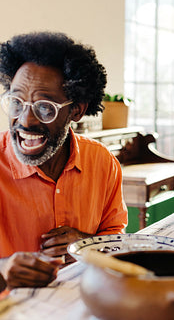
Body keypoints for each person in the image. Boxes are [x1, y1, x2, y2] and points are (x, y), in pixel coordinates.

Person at [0, 32, 128, 290]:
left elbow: (116, 238)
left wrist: (88, 245)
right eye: (16, 102)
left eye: (44, 107)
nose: (25, 121)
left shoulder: (102, 162)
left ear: (76, 110)